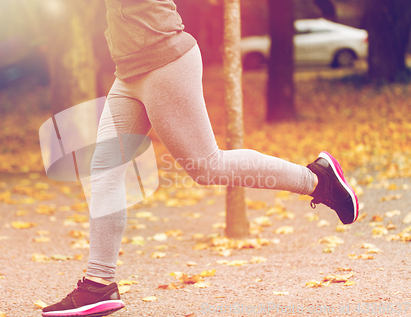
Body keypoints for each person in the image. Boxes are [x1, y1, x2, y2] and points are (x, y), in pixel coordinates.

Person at [41, 0, 359, 316]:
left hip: (163, 63)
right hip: (128, 72)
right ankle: (99, 283)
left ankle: (318, 180)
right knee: (105, 170)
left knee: (207, 166)